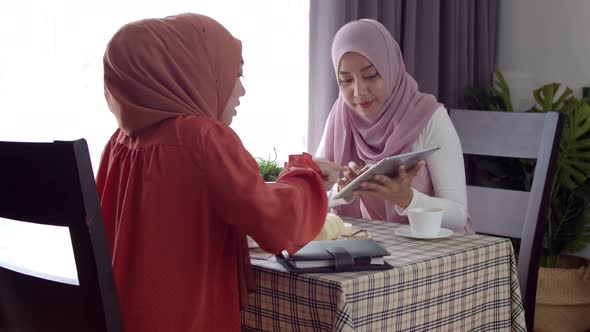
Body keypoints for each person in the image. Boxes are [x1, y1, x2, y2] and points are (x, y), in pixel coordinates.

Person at [96, 13, 344, 332]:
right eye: (233, 74)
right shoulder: (202, 138)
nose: (240, 90)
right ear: (193, 72)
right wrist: (305, 172)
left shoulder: (120, 144)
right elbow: (276, 223)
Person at [315, 19, 473, 233]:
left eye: (370, 75)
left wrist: (406, 198)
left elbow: (458, 216)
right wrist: (341, 191)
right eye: (346, 80)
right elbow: (311, 196)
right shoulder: (340, 117)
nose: (359, 91)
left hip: (434, 256)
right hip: (372, 253)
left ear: (390, 67)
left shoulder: (428, 116)